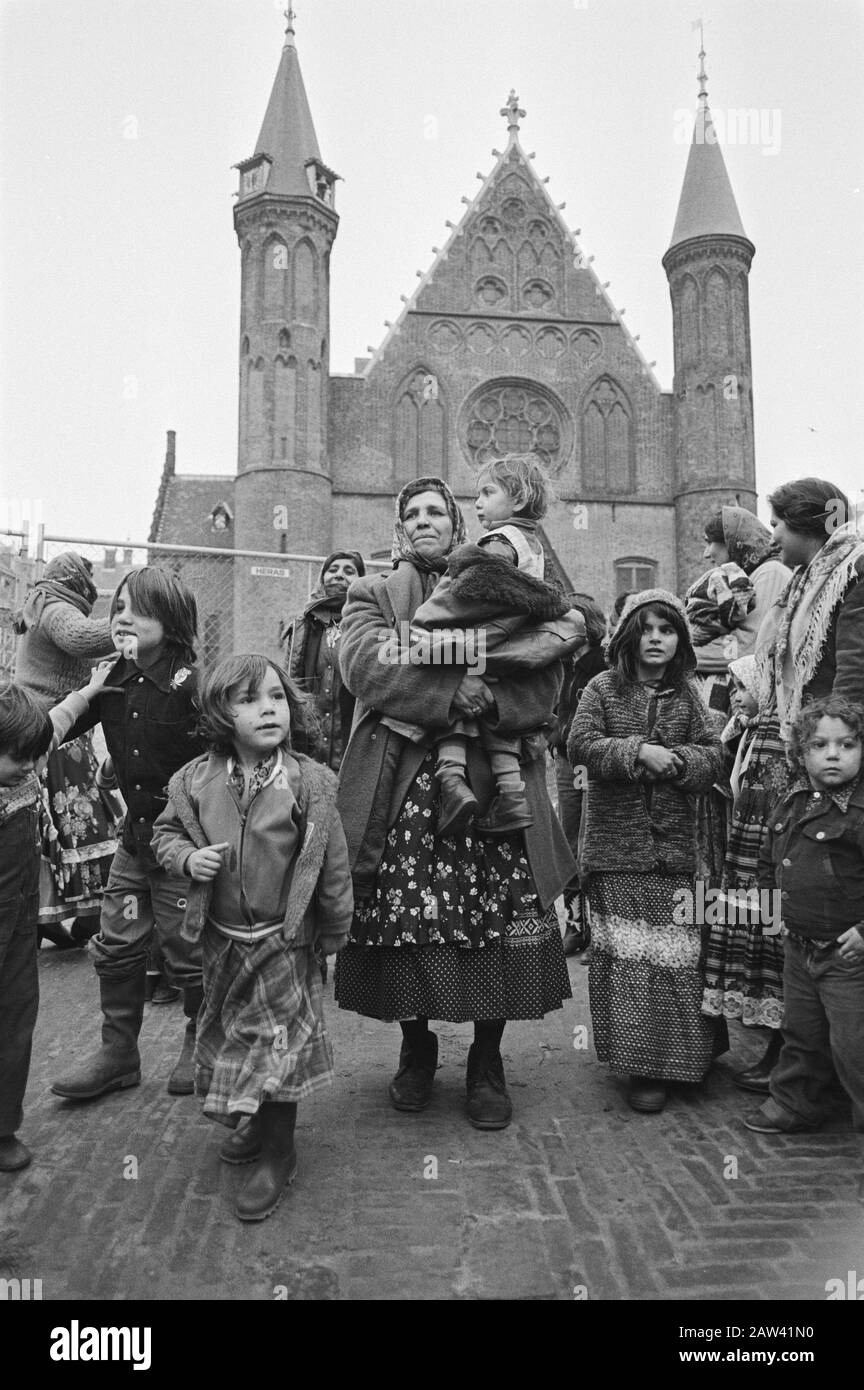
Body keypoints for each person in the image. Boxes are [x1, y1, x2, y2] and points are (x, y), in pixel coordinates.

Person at [334, 476, 578, 1130]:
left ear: (456, 526)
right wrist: (450, 694)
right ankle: (416, 1046)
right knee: (405, 918)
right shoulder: (372, 594)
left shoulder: (504, 580)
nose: (423, 522)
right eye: (410, 514)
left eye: (435, 512)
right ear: (397, 530)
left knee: (498, 919)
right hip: (405, 788)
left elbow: (547, 671)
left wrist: (494, 700)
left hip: (496, 789)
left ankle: (487, 1061)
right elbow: (367, 665)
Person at [151, 655, 353, 1221]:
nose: (268, 708)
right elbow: (164, 835)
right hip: (222, 943)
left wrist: (335, 926)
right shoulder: (194, 781)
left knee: (279, 1050)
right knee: (240, 1039)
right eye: (249, 699)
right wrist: (188, 858)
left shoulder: (309, 782)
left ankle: (279, 1154)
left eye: (277, 697)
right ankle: (257, 1124)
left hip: (283, 943)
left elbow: (331, 861)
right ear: (219, 712)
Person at [51, 567, 208, 1102]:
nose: (121, 618)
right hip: (135, 844)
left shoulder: (195, 687)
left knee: (188, 949)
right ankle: (118, 1053)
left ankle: (200, 1039)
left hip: (184, 848)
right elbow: (55, 728)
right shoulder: (111, 678)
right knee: (117, 942)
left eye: (135, 610)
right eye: (117, 609)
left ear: (169, 620)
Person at [568, 590, 725, 1114]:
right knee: (632, 958)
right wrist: (637, 751)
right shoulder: (603, 688)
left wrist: (678, 763)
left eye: (668, 629)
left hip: (677, 852)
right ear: (629, 637)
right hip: (617, 850)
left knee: (678, 957)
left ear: (680, 640)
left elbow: (714, 756)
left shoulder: (687, 696)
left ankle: (684, 1058)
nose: (656, 638)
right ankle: (642, 1067)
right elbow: (581, 744)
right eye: (647, 629)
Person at [401, 454, 579, 835]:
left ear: (517, 499)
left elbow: (481, 587)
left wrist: (436, 631)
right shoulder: (532, 543)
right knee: (495, 722)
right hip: (508, 646)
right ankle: (511, 799)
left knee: (453, 700)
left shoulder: (499, 541)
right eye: (412, 514)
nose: (477, 502)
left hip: (482, 638)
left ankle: (452, 781)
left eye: (486, 492)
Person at [0, 662, 117, 1171]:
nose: (29, 768)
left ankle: (2, 1128)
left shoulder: (25, 760)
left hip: (20, 930)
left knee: (15, 1023)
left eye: (32, 757)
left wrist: (89, 690)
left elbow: (59, 721)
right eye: (15, 759)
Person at [743, 695, 864, 1186]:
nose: (833, 755)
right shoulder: (792, 803)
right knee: (802, 1033)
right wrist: (774, 911)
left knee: (853, 1042)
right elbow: (773, 861)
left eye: (847, 744)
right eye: (820, 745)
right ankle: (797, 1103)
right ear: (800, 753)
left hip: (847, 954)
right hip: (800, 945)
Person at [13, 551, 118, 948]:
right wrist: (135, 619)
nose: (91, 583)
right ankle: (88, 914)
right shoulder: (56, 606)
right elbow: (83, 638)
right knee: (80, 822)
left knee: (52, 828)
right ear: (75, 578)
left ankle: (47, 917)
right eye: (88, 575)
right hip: (54, 729)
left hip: (51, 724)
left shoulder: (41, 601)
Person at [691, 505, 791, 716]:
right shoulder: (750, 576)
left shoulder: (771, 573)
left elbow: (749, 646)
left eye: (710, 542)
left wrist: (683, 655)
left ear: (732, 541)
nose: (706, 554)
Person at [551, 593, 608, 955]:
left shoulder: (604, 665)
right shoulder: (561, 665)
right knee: (568, 839)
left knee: (592, 840)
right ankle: (575, 923)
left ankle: (599, 932)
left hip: (593, 761)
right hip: (564, 760)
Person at [279, 551, 366, 774]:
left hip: (351, 738)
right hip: (309, 741)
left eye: (349, 571)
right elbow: (291, 682)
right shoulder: (303, 626)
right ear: (323, 577)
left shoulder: (367, 623)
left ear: (361, 580)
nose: (339, 576)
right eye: (332, 570)